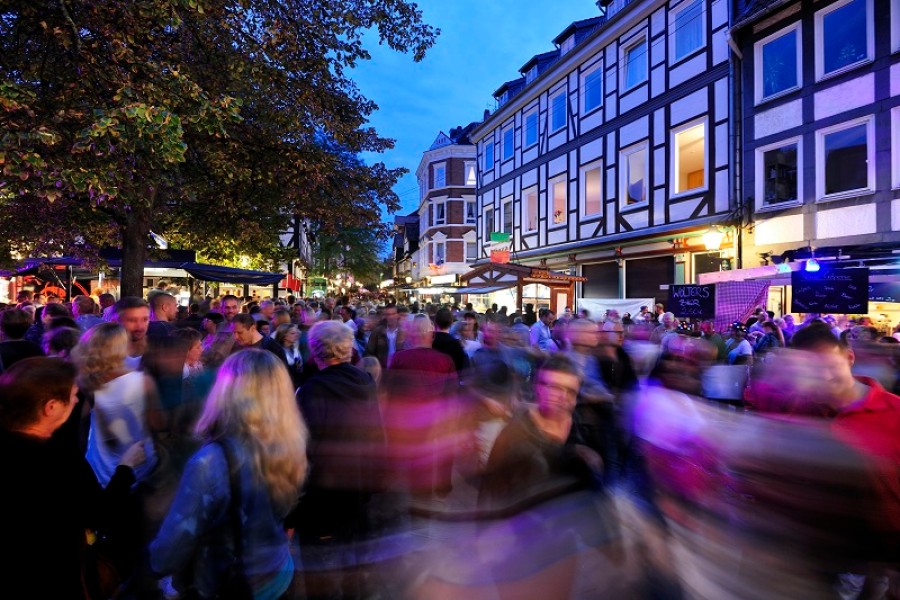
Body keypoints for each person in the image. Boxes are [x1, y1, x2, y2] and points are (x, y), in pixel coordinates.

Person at [149, 350, 306, 599]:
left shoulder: (212, 461)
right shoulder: (292, 441)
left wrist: (144, 568)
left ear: (226, 391)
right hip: (278, 571)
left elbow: (171, 548)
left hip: (232, 583)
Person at [0, 357, 145, 599]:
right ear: (51, 407)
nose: (77, 400)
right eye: (74, 394)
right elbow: (100, 514)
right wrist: (125, 467)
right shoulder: (60, 462)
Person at [288, 321, 389, 599]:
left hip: (324, 501)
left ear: (316, 350)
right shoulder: (365, 382)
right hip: (358, 494)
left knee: (323, 576)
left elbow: (304, 450)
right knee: (351, 569)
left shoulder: (312, 390)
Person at [72, 322, 160, 486]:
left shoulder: (87, 382)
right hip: (140, 462)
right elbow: (158, 424)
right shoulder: (143, 380)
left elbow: (80, 426)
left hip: (101, 466)